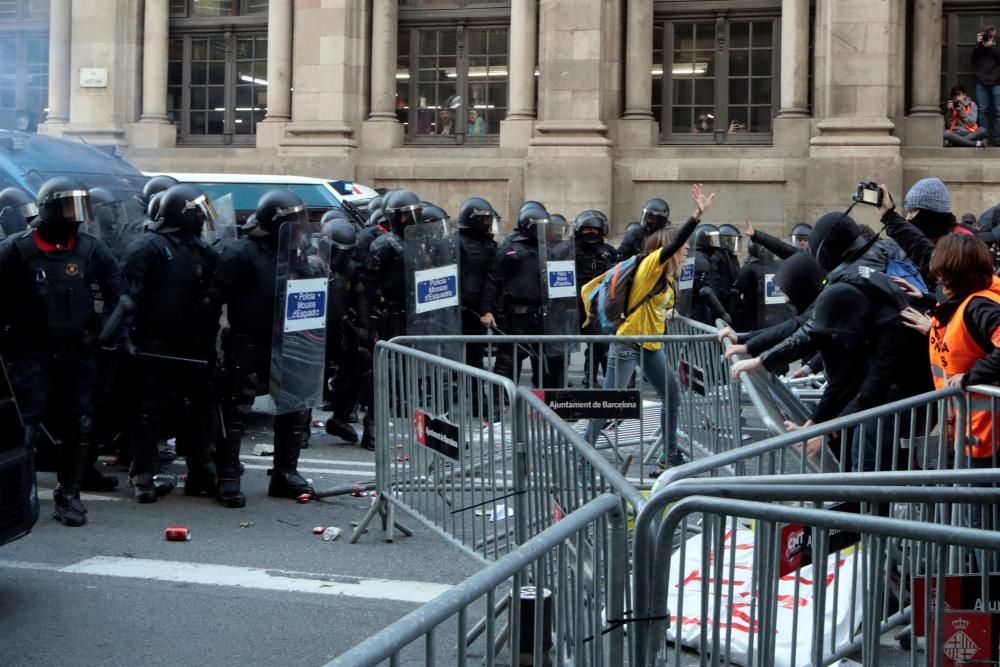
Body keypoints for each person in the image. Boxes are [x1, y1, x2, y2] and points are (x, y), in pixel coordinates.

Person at [0, 177, 124, 526]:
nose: (77, 217)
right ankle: (17, 498)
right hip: (30, 351)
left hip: (76, 351)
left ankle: (68, 495)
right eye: (69, 207)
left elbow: (119, 296)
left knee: (79, 423)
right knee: (25, 426)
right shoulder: (16, 249)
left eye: (80, 207)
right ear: (49, 208)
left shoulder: (91, 248)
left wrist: (103, 335)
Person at [581, 183, 716, 469]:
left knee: (672, 396)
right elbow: (676, 242)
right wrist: (696, 216)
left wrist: (670, 312)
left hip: (651, 346)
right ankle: (582, 457)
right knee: (609, 406)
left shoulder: (665, 277)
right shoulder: (651, 265)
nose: (686, 253)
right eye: (683, 249)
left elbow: (659, 304)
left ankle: (668, 452)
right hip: (629, 344)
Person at [209, 190, 317, 504]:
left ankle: (285, 473)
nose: (301, 226)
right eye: (294, 220)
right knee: (237, 408)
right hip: (248, 339)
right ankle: (227, 474)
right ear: (277, 222)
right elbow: (215, 299)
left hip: (290, 338)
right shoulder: (241, 252)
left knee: (296, 406)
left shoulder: (298, 253)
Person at [121, 184, 221, 504]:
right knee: (149, 409)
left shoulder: (201, 249)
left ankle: (200, 468)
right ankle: (143, 472)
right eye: (198, 211)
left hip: (192, 341)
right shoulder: (147, 248)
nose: (204, 218)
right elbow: (127, 298)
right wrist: (126, 337)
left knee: (202, 406)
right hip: (155, 340)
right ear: (183, 214)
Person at [923, 234, 1000, 523]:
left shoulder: (979, 306)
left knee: (982, 524)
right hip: (974, 431)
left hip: (987, 435)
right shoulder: (968, 303)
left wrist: (970, 376)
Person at [481, 203, 566, 388]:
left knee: (547, 364)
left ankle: (548, 403)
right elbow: (493, 281)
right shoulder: (510, 250)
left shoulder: (551, 251)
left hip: (544, 316)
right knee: (507, 362)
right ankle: (501, 405)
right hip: (515, 317)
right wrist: (487, 310)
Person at [323, 218, 367, 447]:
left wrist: (363, 327)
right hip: (314, 330)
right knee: (305, 378)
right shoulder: (310, 263)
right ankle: (300, 428)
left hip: (340, 328)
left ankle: (340, 418)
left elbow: (359, 297)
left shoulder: (349, 267)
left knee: (358, 366)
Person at [453, 197, 498, 375]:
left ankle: (477, 398)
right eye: (484, 218)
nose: (487, 223)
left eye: (489, 218)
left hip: (475, 312)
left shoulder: (489, 245)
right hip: (455, 311)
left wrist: (487, 310)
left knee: (475, 356)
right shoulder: (454, 242)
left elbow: (491, 279)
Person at [573, 210, 618, 386]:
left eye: (594, 229)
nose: (590, 232)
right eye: (586, 229)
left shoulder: (608, 252)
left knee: (600, 345)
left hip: (598, 306)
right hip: (574, 307)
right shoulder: (570, 250)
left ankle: (597, 382)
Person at [973, 26, 1000, 147]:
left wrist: (992, 47)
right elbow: (973, 59)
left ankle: (998, 139)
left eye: (990, 34)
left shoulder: (997, 46)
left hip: (997, 83)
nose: (988, 36)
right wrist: (978, 45)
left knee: (998, 112)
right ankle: (984, 138)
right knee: (983, 111)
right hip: (982, 83)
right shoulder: (979, 47)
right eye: (987, 34)